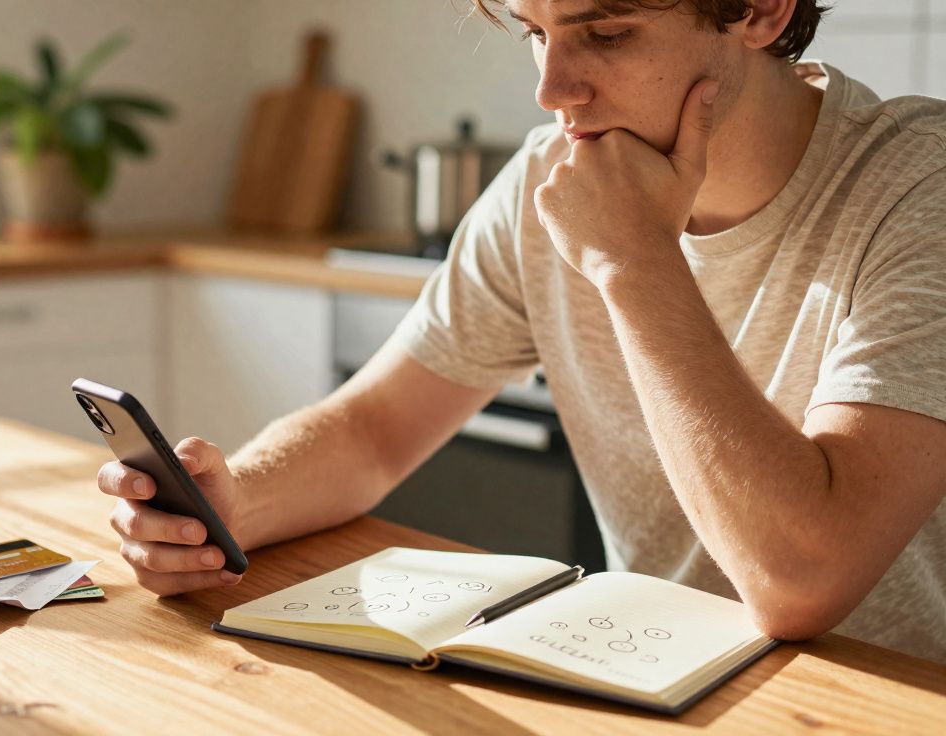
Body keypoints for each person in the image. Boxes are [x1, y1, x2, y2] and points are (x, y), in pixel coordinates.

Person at [98, 0, 946, 663]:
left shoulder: (919, 190)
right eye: (536, 32)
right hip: (660, 676)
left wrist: (632, 261)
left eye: (606, 34)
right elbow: (374, 428)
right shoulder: (548, 177)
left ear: (758, 12)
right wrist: (233, 503)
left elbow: (801, 581)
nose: (551, 91)